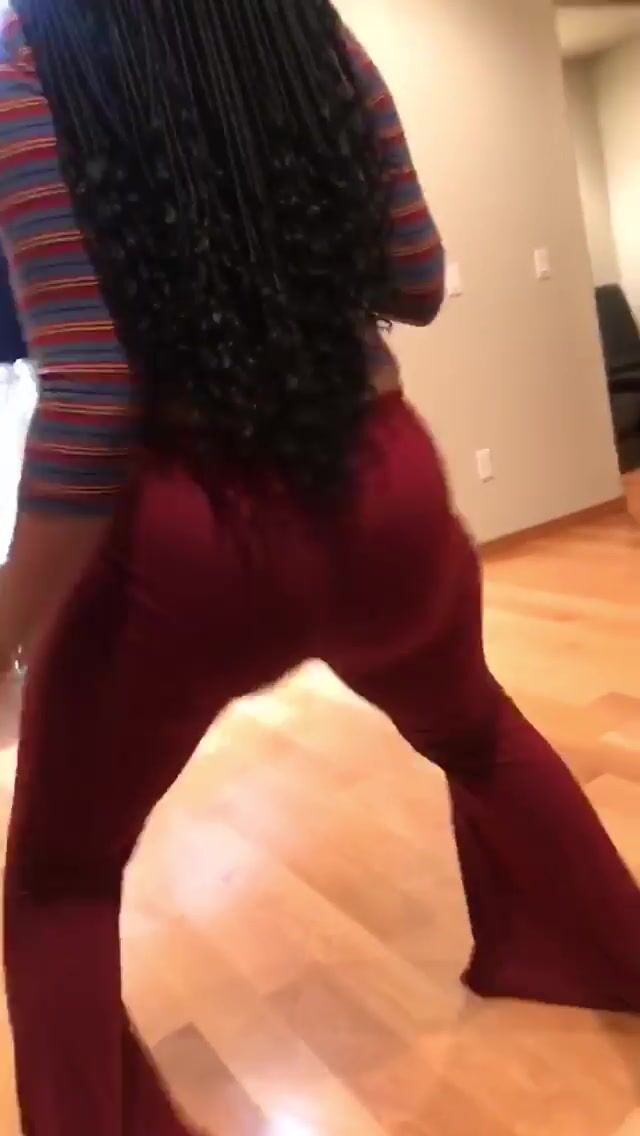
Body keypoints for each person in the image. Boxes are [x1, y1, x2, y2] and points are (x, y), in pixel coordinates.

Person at [0, 1, 638, 1132]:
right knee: (477, 731)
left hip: (188, 543)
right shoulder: (304, 27)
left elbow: (93, 398)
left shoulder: (24, 59)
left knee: (59, 878)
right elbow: (417, 280)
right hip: (380, 491)